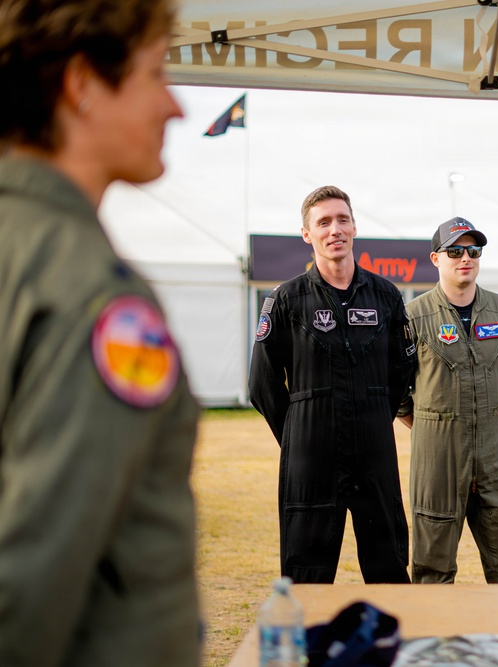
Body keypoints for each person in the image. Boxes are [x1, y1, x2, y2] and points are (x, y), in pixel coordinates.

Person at [0, 1, 201, 665]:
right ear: (82, 84)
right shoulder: (94, 292)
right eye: (153, 74)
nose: (175, 106)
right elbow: (32, 573)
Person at [249, 185, 414, 584]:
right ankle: (310, 646)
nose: (334, 229)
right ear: (307, 234)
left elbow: (402, 373)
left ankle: (390, 645)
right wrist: (296, 434)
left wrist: (374, 413)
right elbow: (262, 383)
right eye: (323, 222)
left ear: (355, 227)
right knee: (307, 572)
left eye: (342, 220)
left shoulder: (386, 296)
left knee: (389, 565)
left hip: (374, 452)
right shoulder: (286, 300)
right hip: (311, 456)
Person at [398, 217, 498, 583]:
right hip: (438, 453)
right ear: (435, 258)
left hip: (497, 450)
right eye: (455, 250)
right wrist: (432, 420)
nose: (466, 258)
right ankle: (436, 639)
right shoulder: (412, 317)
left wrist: (486, 412)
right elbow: (394, 387)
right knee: (432, 565)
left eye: (473, 250)